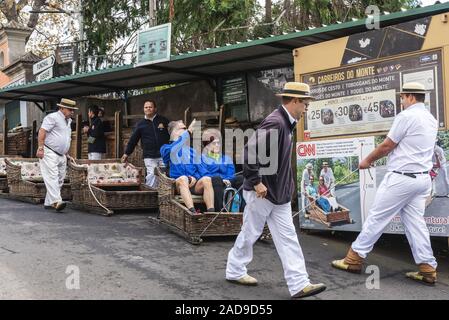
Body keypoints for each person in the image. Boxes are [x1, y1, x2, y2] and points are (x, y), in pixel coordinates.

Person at [226, 82, 326, 299]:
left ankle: (299, 283)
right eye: (305, 102)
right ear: (295, 101)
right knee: (251, 233)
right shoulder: (276, 122)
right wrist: (256, 181)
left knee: (287, 237)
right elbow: (250, 153)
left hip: (275, 194)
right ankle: (234, 270)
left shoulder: (284, 122)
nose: (307, 106)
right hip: (263, 192)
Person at [331, 82, 439, 285]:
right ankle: (428, 268)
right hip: (422, 179)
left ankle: (353, 259)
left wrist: (367, 161)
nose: (401, 101)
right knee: (416, 224)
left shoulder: (406, 116)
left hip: (401, 178)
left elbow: (388, 145)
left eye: (402, 97)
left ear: (410, 97)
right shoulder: (431, 119)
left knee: (377, 218)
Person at [160, 120, 215, 213]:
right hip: (176, 185)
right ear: (174, 131)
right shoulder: (165, 148)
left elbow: (202, 170)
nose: (186, 130)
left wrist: (195, 178)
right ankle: (193, 213)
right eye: (183, 128)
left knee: (207, 179)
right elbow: (173, 149)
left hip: (194, 185)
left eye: (186, 129)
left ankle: (211, 212)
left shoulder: (192, 151)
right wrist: (188, 131)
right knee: (183, 178)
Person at [37, 98, 78, 212]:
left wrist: (67, 153)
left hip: (61, 154)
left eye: (73, 110)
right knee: (52, 176)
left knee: (60, 178)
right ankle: (56, 201)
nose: (72, 112)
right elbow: (42, 131)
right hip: (49, 151)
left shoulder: (68, 121)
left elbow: (65, 138)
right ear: (61, 108)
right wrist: (40, 148)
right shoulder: (52, 117)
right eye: (70, 109)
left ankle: (48, 202)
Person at [122, 100, 170, 188]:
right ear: (144, 109)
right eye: (146, 107)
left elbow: (172, 133)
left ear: (155, 109)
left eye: (150, 107)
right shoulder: (140, 124)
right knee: (152, 174)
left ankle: (163, 195)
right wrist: (126, 153)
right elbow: (133, 140)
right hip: (149, 155)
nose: (148, 109)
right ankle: (151, 195)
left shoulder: (163, 120)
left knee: (164, 175)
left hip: (163, 154)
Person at [201, 128, 243, 211]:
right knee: (217, 179)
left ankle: (242, 210)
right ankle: (220, 210)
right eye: (214, 143)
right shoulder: (201, 158)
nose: (217, 145)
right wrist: (222, 179)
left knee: (241, 178)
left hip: (227, 182)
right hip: (212, 183)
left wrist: (227, 179)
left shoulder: (226, 158)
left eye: (218, 143)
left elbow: (231, 173)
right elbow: (204, 174)